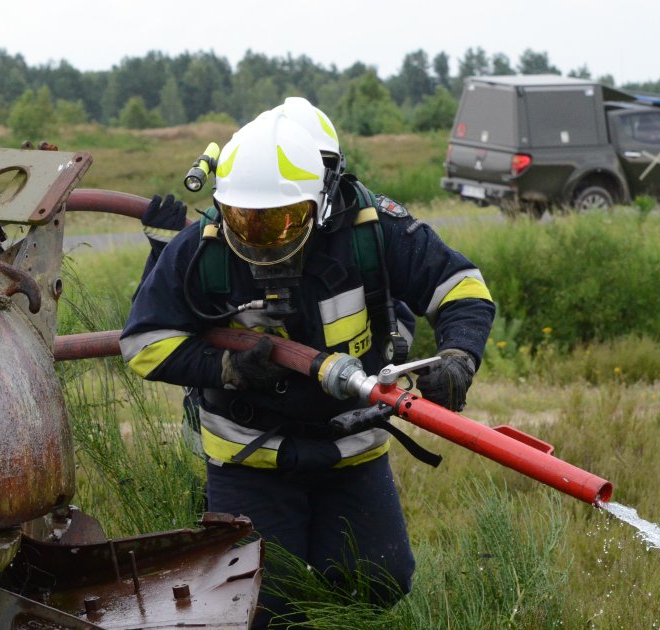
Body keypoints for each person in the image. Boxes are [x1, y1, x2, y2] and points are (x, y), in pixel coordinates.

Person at [121, 108, 494, 628]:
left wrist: (458, 357)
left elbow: (462, 288)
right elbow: (143, 343)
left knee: (379, 579)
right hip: (251, 455)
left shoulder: (374, 228)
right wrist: (228, 368)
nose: (259, 238)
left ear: (321, 200)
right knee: (261, 605)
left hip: (352, 446)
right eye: (244, 219)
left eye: (278, 221)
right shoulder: (203, 249)